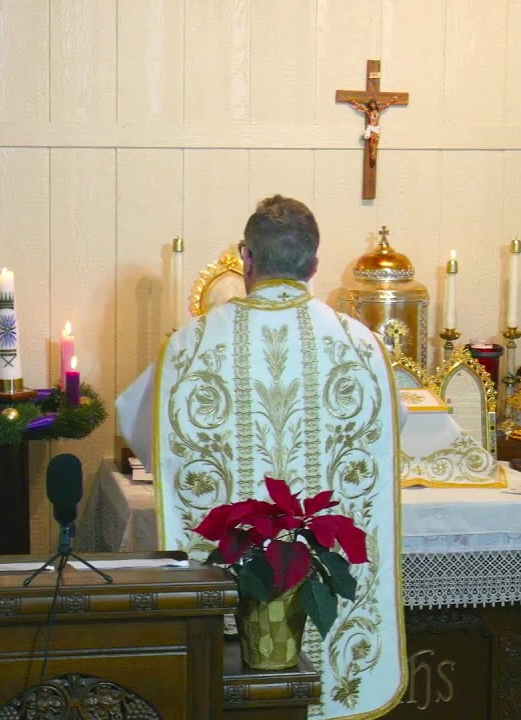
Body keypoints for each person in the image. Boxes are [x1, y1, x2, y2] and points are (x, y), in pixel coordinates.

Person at [116, 195, 406, 719]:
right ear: (314, 265)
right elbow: (394, 431)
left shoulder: (189, 344)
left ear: (246, 258)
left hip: (229, 596)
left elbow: (135, 420)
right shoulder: (363, 345)